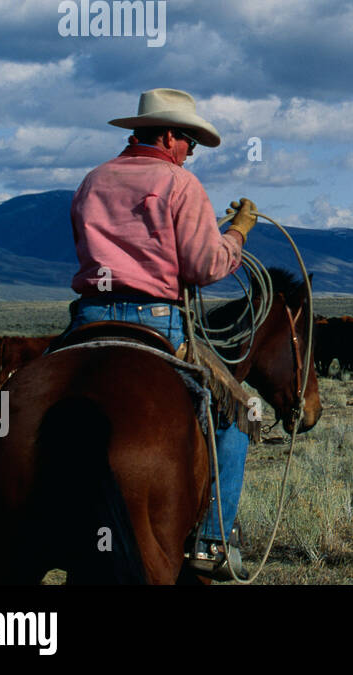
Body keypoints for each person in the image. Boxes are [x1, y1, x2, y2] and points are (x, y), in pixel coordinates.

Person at [66, 87, 257, 579]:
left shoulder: (92, 180)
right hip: (158, 322)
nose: (191, 152)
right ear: (171, 135)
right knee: (236, 415)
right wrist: (237, 232)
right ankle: (213, 542)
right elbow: (204, 265)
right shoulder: (180, 183)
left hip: (88, 319)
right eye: (190, 141)